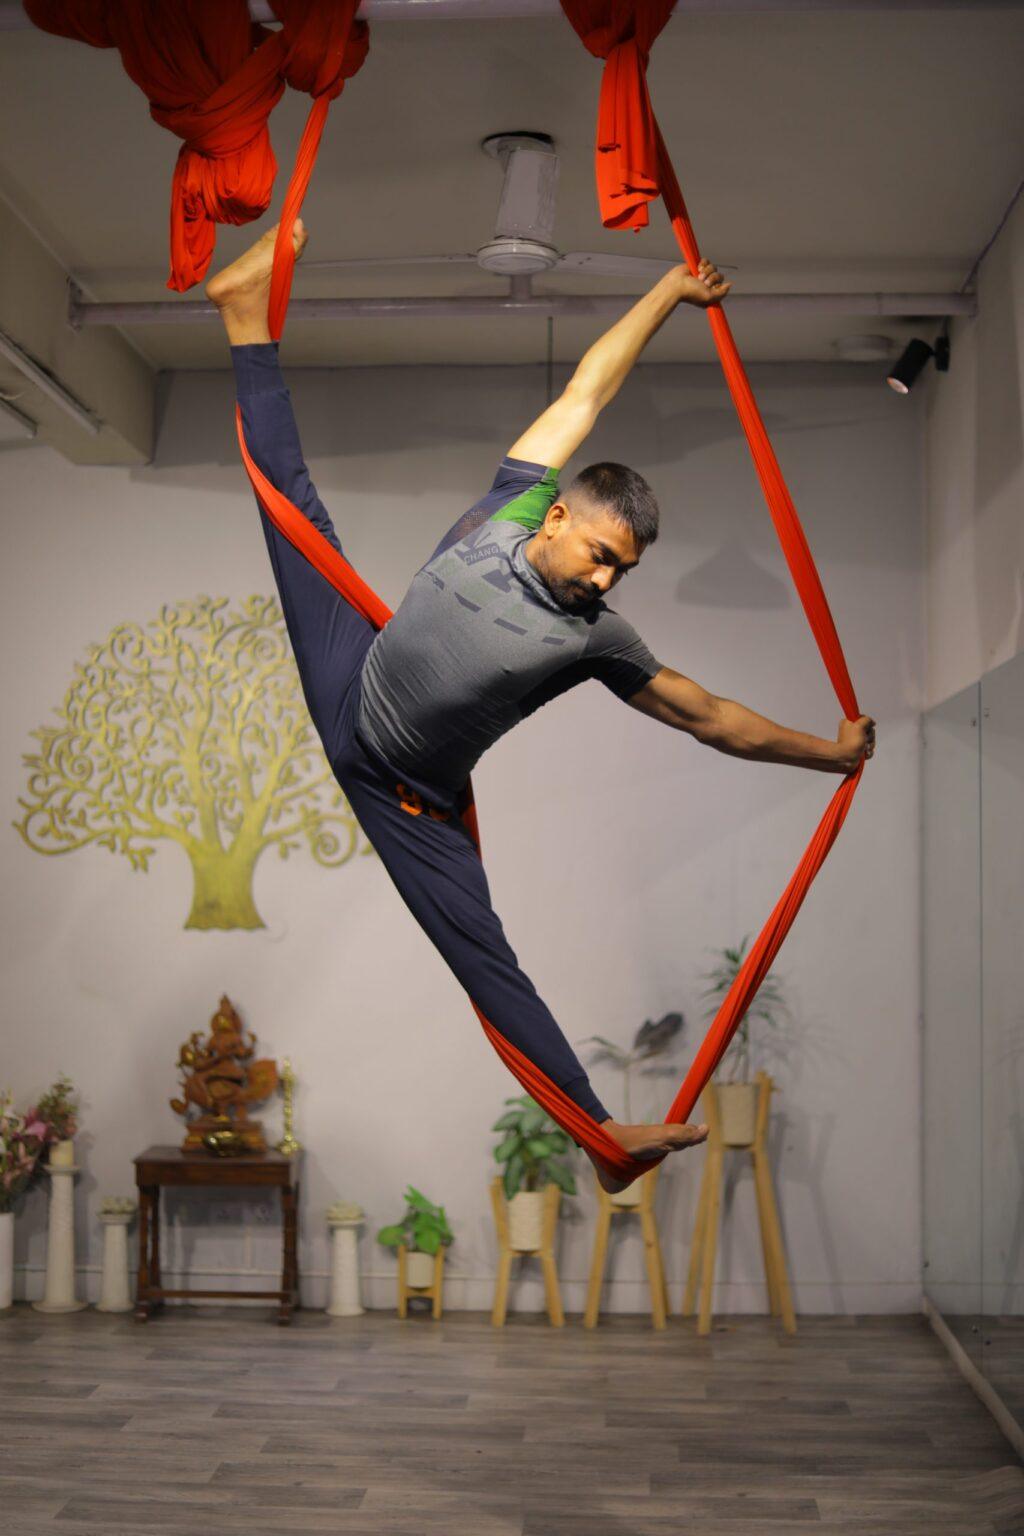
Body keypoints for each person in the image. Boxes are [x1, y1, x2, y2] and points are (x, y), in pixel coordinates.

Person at [207, 219, 876, 1194]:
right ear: (558, 515)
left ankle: (604, 1140)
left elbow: (710, 718)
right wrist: (667, 293)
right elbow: (587, 389)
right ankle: (242, 318)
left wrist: (831, 754)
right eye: (601, 554)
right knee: (291, 504)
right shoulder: (513, 503)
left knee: (485, 962)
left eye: (624, 570)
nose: (606, 580)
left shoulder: (594, 638)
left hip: (406, 798)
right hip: (355, 675)